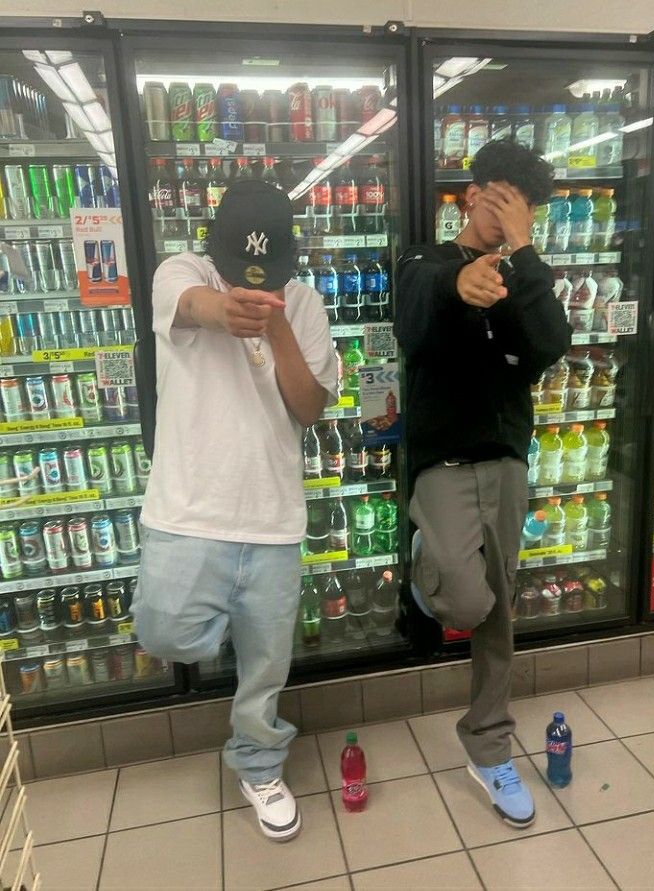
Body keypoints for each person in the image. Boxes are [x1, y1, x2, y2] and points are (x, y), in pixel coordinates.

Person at [131, 180, 338, 842]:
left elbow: (309, 407)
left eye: (269, 272)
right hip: (188, 509)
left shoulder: (305, 304)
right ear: (216, 246)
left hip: (274, 517)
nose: (256, 284)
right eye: (242, 271)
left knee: (266, 671)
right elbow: (188, 306)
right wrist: (226, 310)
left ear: (287, 260)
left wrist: (275, 323)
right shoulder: (181, 272)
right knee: (162, 631)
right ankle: (222, 619)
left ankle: (258, 762)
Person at [395, 139, 571, 828]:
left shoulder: (527, 273)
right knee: (465, 598)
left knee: (498, 615)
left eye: (521, 207)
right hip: (444, 462)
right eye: (499, 198)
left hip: (507, 459)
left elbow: (550, 343)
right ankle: (421, 572)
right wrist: (456, 285)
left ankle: (488, 744)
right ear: (472, 194)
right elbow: (413, 315)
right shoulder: (424, 259)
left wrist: (523, 258)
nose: (507, 216)